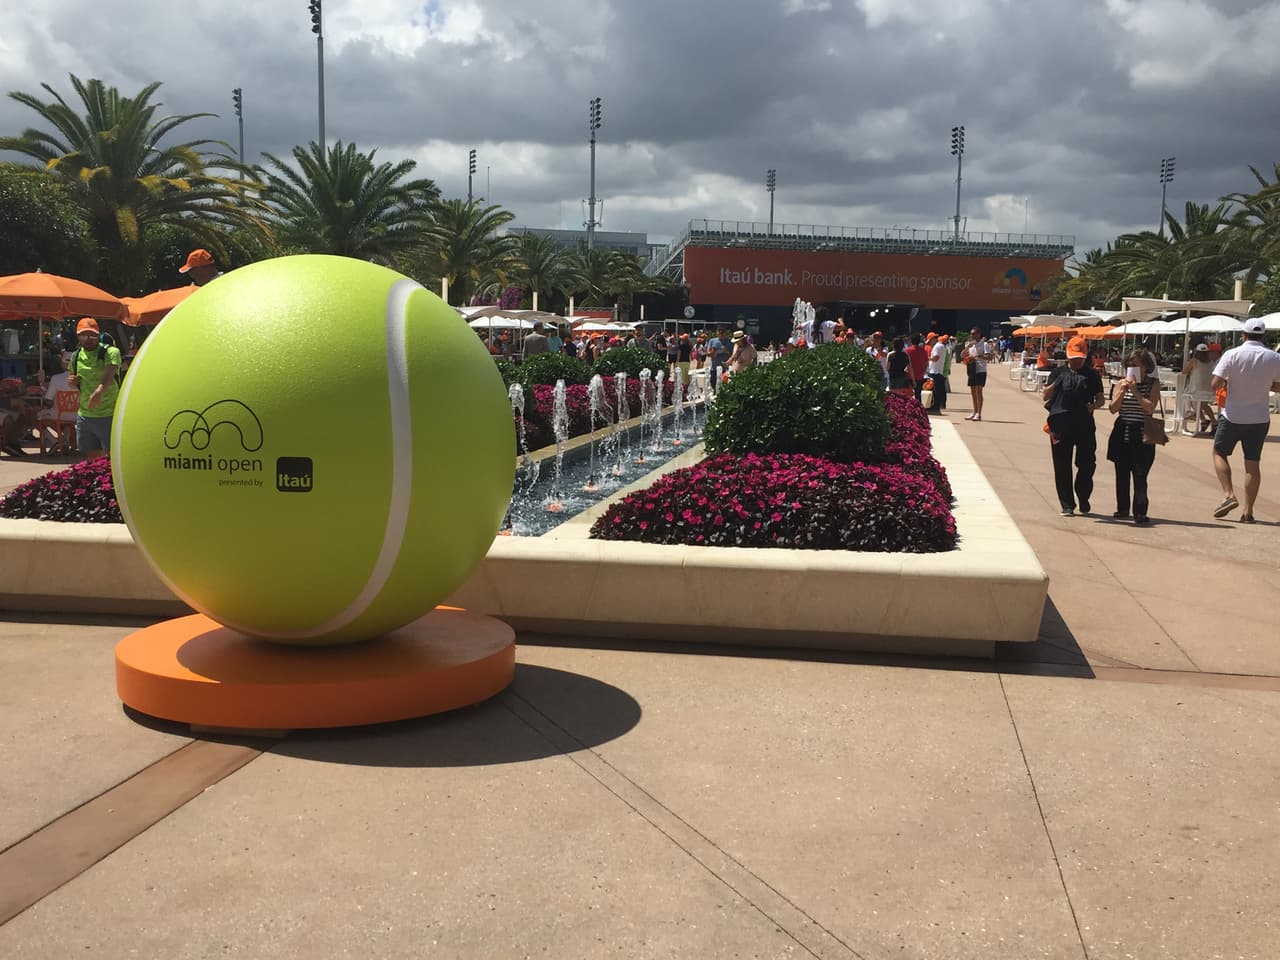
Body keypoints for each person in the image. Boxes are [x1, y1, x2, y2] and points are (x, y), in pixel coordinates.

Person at [1209, 317, 1280, 522]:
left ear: (1244, 335)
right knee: (1252, 463)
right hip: (1259, 417)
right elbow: (1278, 386)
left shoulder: (1232, 354)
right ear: (1263, 335)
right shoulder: (1273, 357)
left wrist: (1229, 381)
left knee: (1219, 452)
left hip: (1233, 415)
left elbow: (1215, 384)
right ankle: (1248, 512)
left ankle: (1229, 494)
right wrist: (1263, 385)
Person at [1043, 337, 1105, 517]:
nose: (1076, 360)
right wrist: (1054, 384)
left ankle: (1083, 495)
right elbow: (1045, 396)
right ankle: (1067, 504)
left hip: (1084, 424)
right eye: (1073, 357)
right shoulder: (1058, 372)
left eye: (1080, 357)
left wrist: (1094, 406)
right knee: (1062, 465)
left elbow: (1100, 399)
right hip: (1060, 423)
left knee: (1087, 464)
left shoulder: (1092, 374)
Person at [1105, 350, 1161, 524]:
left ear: (1145, 367)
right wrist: (1122, 391)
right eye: (1129, 365)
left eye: (1136, 365)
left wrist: (1136, 391)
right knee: (1121, 472)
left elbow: (1150, 408)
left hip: (1142, 431)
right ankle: (1122, 508)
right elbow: (1113, 409)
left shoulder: (1153, 384)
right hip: (1123, 430)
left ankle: (1140, 511)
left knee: (1140, 473)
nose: (1132, 368)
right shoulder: (1120, 383)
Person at [67, 318, 121, 460]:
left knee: (113, 456)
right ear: (78, 336)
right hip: (85, 415)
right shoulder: (76, 355)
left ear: (99, 335)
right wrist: (73, 382)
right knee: (91, 457)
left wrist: (99, 392)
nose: (89, 339)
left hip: (109, 413)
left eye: (93, 335)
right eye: (84, 335)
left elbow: (109, 377)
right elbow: (72, 379)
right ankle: (97, 481)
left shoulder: (111, 352)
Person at [1182, 343, 1217, 433]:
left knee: (1187, 396)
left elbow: (1184, 371)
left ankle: (1189, 412)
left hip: (1196, 390)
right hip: (1209, 390)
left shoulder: (1194, 361)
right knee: (1203, 404)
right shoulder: (1211, 362)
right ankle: (1208, 421)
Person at [964, 327, 993, 421]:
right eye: (971, 334)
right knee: (973, 392)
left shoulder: (984, 344)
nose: (972, 335)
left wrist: (979, 356)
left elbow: (989, 357)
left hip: (980, 370)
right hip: (972, 369)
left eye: (974, 333)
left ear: (979, 334)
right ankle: (974, 411)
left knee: (978, 392)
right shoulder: (971, 345)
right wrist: (967, 348)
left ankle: (979, 413)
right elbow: (962, 355)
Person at [926, 333, 949, 413]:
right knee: (938, 390)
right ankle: (936, 407)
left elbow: (935, 358)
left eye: (930, 341)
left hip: (935, 371)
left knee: (935, 391)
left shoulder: (937, 347)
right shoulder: (941, 346)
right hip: (938, 371)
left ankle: (935, 407)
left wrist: (927, 358)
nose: (929, 344)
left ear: (933, 339)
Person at [904, 334, 929, 404]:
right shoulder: (923, 351)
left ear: (911, 341)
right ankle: (918, 409)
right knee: (918, 394)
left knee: (908, 395)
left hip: (909, 375)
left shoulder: (907, 351)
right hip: (919, 375)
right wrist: (923, 372)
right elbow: (926, 364)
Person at [707, 329, 731, 393]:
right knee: (713, 385)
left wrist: (727, 351)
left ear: (725, 333)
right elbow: (708, 354)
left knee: (725, 386)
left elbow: (733, 355)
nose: (721, 333)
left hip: (725, 368)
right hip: (714, 367)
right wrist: (713, 352)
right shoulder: (712, 341)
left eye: (722, 332)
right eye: (719, 332)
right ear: (717, 333)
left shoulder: (729, 341)